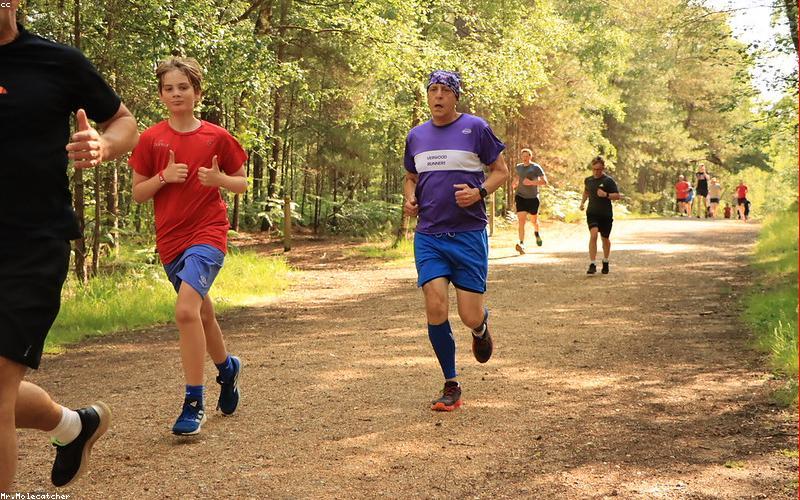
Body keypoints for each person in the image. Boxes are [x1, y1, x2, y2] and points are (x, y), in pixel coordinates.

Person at [0, 1, 139, 490]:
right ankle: (72, 425)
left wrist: (103, 145)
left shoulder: (56, 62)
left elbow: (124, 122)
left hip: (31, 244)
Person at [129, 57, 247, 435]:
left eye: (184, 87)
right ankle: (227, 369)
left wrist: (218, 179)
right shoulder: (151, 138)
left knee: (184, 312)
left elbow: (242, 183)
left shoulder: (217, 137)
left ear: (197, 92)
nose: (176, 93)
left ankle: (193, 402)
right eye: (169, 88)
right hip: (171, 240)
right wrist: (163, 176)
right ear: (162, 95)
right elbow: (137, 193)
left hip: (208, 234)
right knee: (203, 315)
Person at [403, 70, 508, 411]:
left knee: (468, 315)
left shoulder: (475, 128)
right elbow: (411, 176)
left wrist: (478, 193)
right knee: (435, 305)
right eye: (432, 90)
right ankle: (451, 383)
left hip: (468, 234)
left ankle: (480, 327)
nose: (437, 96)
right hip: (430, 234)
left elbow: (501, 172)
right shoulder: (416, 135)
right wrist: (410, 198)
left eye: (444, 91)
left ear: (455, 96)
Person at [579, 156, 623, 275]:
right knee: (593, 235)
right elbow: (586, 191)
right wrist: (582, 202)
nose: (596, 171)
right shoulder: (588, 180)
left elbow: (617, 196)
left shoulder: (608, 181)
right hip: (592, 213)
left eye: (599, 169)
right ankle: (592, 263)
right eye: (594, 169)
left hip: (605, 214)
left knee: (605, 238)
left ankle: (605, 261)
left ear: (603, 168)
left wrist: (606, 195)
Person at [512, 148, 547, 253]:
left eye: (527, 156)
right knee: (521, 221)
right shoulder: (518, 167)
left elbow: (544, 182)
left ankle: (536, 233)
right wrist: (514, 184)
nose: (525, 158)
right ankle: (521, 243)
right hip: (520, 196)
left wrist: (531, 182)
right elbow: (517, 178)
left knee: (533, 221)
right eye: (523, 156)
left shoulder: (536, 167)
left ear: (530, 157)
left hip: (533, 198)